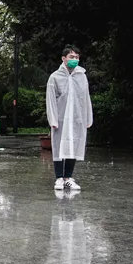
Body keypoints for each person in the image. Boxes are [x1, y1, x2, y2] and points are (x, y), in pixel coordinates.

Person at [46, 45, 93, 191]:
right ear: (63, 58)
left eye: (77, 57)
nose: (75, 59)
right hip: (61, 118)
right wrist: (53, 119)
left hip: (76, 118)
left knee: (74, 146)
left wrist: (88, 118)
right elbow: (50, 100)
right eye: (72, 57)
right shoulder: (55, 77)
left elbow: (86, 98)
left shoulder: (82, 76)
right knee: (59, 146)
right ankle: (59, 178)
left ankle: (68, 178)